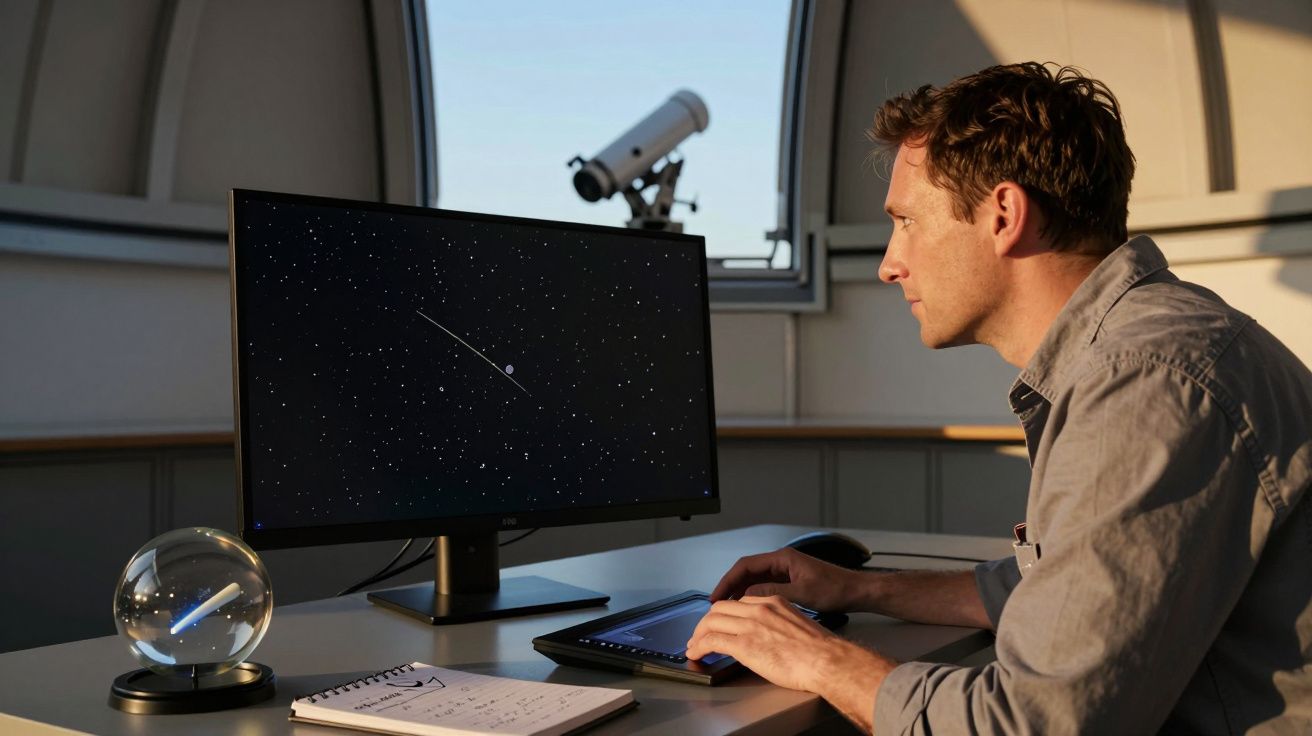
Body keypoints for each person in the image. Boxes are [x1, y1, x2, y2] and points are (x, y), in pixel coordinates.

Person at [686, 62, 1312, 734]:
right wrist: (857, 590)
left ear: (1005, 215)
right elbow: (1065, 595)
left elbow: (1032, 725)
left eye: (906, 222)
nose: (889, 263)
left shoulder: (1145, 381)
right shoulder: (1153, 347)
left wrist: (816, 658)